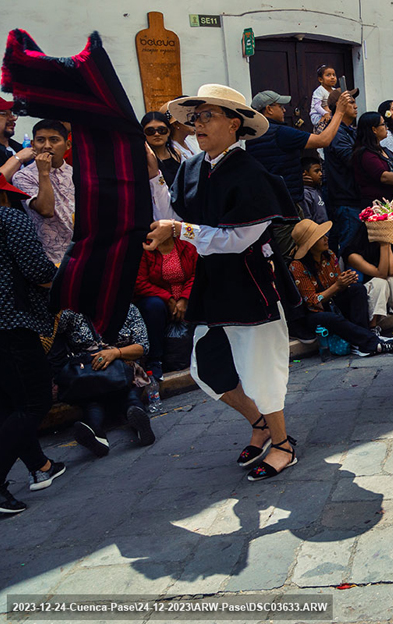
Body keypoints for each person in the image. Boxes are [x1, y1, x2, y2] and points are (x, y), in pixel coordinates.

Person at [145, 84, 300, 482]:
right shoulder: (194, 167)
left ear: (234, 124)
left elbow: (239, 239)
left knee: (260, 367)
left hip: (250, 283)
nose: (198, 124)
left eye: (207, 116)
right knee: (206, 367)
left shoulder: (252, 174)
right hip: (213, 283)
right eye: (195, 118)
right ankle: (259, 423)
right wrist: (152, 179)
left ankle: (283, 444)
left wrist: (180, 230)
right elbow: (172, 209)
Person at [0, 176, 65, 514]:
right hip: (13, 323)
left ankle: (40, 465)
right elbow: (37, 269)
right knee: (34, 402)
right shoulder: (9, 217)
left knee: (10, 405)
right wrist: (63, 272)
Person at [288, 219, 393, 355]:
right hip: (314, 313)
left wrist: (346, 281)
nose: (326, 239)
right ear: (311, 245)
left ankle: (363, 339)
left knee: (357, 289)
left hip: (333, 301)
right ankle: (371, 343)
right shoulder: (297, 266)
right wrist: (337, 285)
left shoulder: (329, 255)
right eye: (321, 238)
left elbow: (338, 287)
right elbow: (312, 301)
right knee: (330, 318)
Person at [53, 306, 154, 457]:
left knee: (130, 398)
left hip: (123, 370)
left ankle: (141, 427)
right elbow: (50, 331)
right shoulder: (72, 313)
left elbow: (142, 347)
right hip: (88, 375)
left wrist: (115, 353)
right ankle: (95, 436)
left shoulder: (128, 309)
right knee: (93, 405)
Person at [247, 89, 353, 212]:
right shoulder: (281, 132)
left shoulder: (253, 136)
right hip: (286, 202)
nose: (284, 110)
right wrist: (339, 112)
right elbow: (323, 140)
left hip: (266, 200)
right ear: (269, 109)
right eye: (281, 106)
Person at [134, 235, 197, 381]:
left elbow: (196, 273)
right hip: (158, 300)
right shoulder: (144, 247)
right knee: (153, 307)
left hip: (185, 296)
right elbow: (139, 282)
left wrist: (184, 298)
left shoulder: (186, 243)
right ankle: (154, 360)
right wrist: (167, 298)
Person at [12, 119, 74, 264]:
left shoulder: (76, 173)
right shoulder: (23, 176)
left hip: (80, 252)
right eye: (41, 140)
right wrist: (43, 173)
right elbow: (46, 210)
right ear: (33, 145)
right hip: (49, 258)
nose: (47, 146)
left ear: (68, 145)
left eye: (54, 140)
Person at [342, 227, 393, 338]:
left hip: (381, 290)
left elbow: (392, 271)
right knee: (380, 282)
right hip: (362, 292)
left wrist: (387, 245)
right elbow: (380, 273)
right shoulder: (352, 254)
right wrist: (383, 245)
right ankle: (372, 327)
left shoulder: (381, 248)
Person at [322, 87, 361, 253]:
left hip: (352, 198)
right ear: (340, 106)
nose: (356, 106)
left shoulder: (349, 131)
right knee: (350, 250)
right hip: (345, 200)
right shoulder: (337, 132)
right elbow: (351, 160)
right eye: (351, 102)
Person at [352, 111, 393, 208]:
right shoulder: (366, 154)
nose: (386, 127)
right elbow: (384, 177)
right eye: (383, 124)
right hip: (376, 206)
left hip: (392, 203)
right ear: (374, 129)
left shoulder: (385, 150)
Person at [141, 111, 181, 186]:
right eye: (150, 131)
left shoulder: (175, 154)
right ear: (143, 133)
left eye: (162, 130)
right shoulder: (143, 158)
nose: (157, 134)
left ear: (168, 132)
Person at [0, 98, 33, 183]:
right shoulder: (22, 154)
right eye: (4, 114)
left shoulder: (19, 147)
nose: (13, 119)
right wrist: (19, 158)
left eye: (12, 114)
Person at [299, 155, 329, 223]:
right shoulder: (305, 193)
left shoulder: (318, 189)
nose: (321, 174)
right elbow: (307, 218)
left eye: (321, 171)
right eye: (316, 171)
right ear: (305, 173)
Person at [310, 64, 337, 130]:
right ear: (320, 79)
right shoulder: (319, 91)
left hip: (329, 113)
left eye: (334, 75)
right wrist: (325, 113)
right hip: (317, 115)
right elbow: (317, 106)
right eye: (328, 75)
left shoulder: (335, 91)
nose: (332, 77)